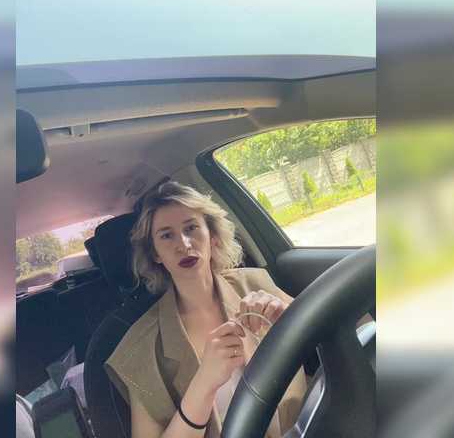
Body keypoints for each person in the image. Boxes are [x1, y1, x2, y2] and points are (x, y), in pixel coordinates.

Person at [105, 182, 306, 438]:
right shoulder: (140, 347)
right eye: (166, 235)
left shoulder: (256, 282)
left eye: (191, 228)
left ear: (212, 237)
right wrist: (204, 383)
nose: (184, 244)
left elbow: (324, 332)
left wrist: (288, 319)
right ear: (155, 254)